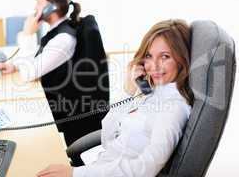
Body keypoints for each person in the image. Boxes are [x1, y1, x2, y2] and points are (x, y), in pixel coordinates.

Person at [35, 19, 194, 177]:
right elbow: (108, 138)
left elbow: (147, 168)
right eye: (149, 56)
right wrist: (128, 91)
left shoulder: (173, 108)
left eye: (165, 56)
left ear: (182, 59)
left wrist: (75, 173)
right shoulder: (152, 93)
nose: (154, 66)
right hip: (100, 167)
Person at [0, 0, 108, 146]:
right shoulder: (58, 30)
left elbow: (29, 74)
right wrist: (15, 65)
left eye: (39, 3)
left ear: (51, 7)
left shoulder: (63, 39)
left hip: (68, 111)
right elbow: (40, 59)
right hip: (56, 102)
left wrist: (26, 34)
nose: (35, 7)